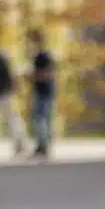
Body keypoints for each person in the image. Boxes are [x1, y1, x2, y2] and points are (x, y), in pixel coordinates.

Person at [26, 29, 58, 159]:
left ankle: (44, 146)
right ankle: (41, 145)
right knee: (40, 120)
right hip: (40, 91)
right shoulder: (38, 56)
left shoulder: (44, 56)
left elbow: (49, 74)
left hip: (45, 92)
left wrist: (33, 76)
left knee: (42, 119)